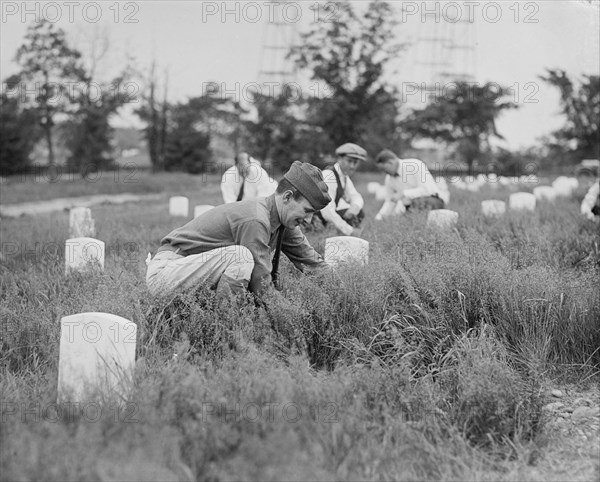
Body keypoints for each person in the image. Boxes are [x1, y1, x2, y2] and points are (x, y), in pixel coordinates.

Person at [147, 161, 332, 300]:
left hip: (192, 274)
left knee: (241, 261)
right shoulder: (256, 218)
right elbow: (261, 283)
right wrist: (288, 316)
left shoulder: (284, 222)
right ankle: (229, 331)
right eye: (307, 211)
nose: (308, 220)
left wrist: (344, 293)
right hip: (166, 273)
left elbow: (313, 264)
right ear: (287, 197)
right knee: (241, 257)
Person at [374, 149, 445, 221]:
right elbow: (390, 200)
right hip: (410, 207)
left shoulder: (415, 165)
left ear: (390, 162)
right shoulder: (389, 179)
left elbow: (428, 190)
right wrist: (379, 217)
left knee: (417, 206)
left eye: (384, 169)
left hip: (432, 200)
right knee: (401, 221)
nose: (384, 172)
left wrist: (403, 194)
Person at [318, 143, 367, 236]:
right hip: (312, 219)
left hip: (324, 218)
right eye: (349, 161)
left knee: (359, 213)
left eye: (355, 162)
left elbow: (356, 196)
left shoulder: (344, 177)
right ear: (339, 159)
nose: (352, 166)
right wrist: (349, 231)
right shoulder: (329, 176)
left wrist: (354, 208)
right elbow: (327, 212)